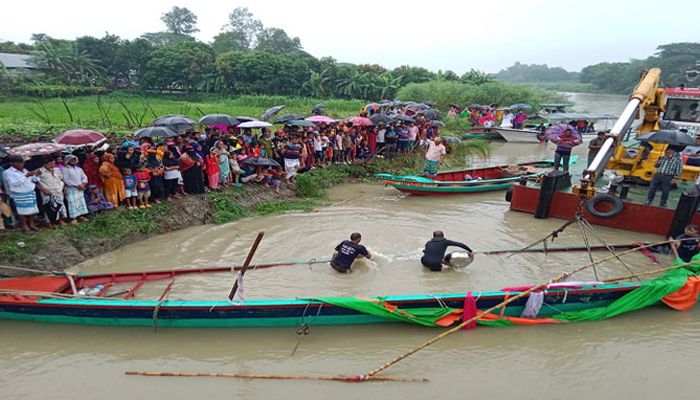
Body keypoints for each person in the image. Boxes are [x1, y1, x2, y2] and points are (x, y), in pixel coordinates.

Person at [2, 155, 41, 232]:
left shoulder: (24, 170)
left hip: (30, 192)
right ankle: (24, 225)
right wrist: (26, 175)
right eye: (19, 163)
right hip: (20, 193)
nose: (21, 165)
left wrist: (36, 175)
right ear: (12, 163)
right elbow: (14, 183)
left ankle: (31, 224)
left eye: (22, 163)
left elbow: (32, 180)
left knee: (32, 209)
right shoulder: (8, 172)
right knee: (22, 210)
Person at [37, 157, 67, 228]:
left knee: (59, 206)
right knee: (49, 206)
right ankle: (49, 221)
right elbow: (35, 182)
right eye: (51, 164)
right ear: (45, 164)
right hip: (47, 191)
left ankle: (60, 219)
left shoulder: (57, 170)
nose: (53, 165)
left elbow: (61, 179)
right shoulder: (40, 171)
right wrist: (43, 190)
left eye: (54, 163)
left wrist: (64, 188)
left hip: (58, 190)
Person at [61, 155, 89, 226]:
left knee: (80, 202)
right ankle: (73, 218)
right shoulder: (64, 169)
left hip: (80, 188)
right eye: (71, 160)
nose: (73, 161)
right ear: (67, 161)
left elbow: (84, 177)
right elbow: (66, 180)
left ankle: (80, 216)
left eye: (74, 159)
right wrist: (77, 185)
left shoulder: (78, 169)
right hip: (71, 189)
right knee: (73, 204)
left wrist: (83, 184)